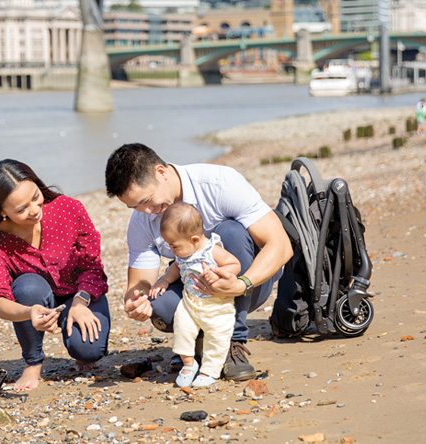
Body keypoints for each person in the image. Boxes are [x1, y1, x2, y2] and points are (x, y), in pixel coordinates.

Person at [105, 143, 293, 381]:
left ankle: (234, 342)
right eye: (136, 207)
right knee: (159, 303)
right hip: (195, 289)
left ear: (161, 173)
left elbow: (280, 245)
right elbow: (140, 283)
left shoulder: (219, 183)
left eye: (148, 200)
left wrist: (242, 283)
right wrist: (136, 301)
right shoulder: (142, 219)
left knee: (231, 232)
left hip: (248, 283)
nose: (148, 211)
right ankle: (194, 342)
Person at [0, 159, 110, 391]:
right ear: (1, 211)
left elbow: (92, 266)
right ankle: (32, 364)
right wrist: (29, 311)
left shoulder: (68, 208)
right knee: (27, 288)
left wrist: (80, 302)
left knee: (89, 351)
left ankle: (80, 348)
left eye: (36, 197)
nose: (34, 210)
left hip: (81, 294)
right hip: (36, 298)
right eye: (21, 209)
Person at [150, 202, 241, 388]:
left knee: (217, 337)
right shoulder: (182, 252)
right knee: (182, 329)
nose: (171, 250)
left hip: (217, 305)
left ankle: (210, 370)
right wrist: (165, 280)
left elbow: (234, 264)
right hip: (190, 302)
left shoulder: (211, 250)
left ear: (194, 240)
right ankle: (189, 363)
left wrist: (217, 272)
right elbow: (176, 267)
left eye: (174, 246)